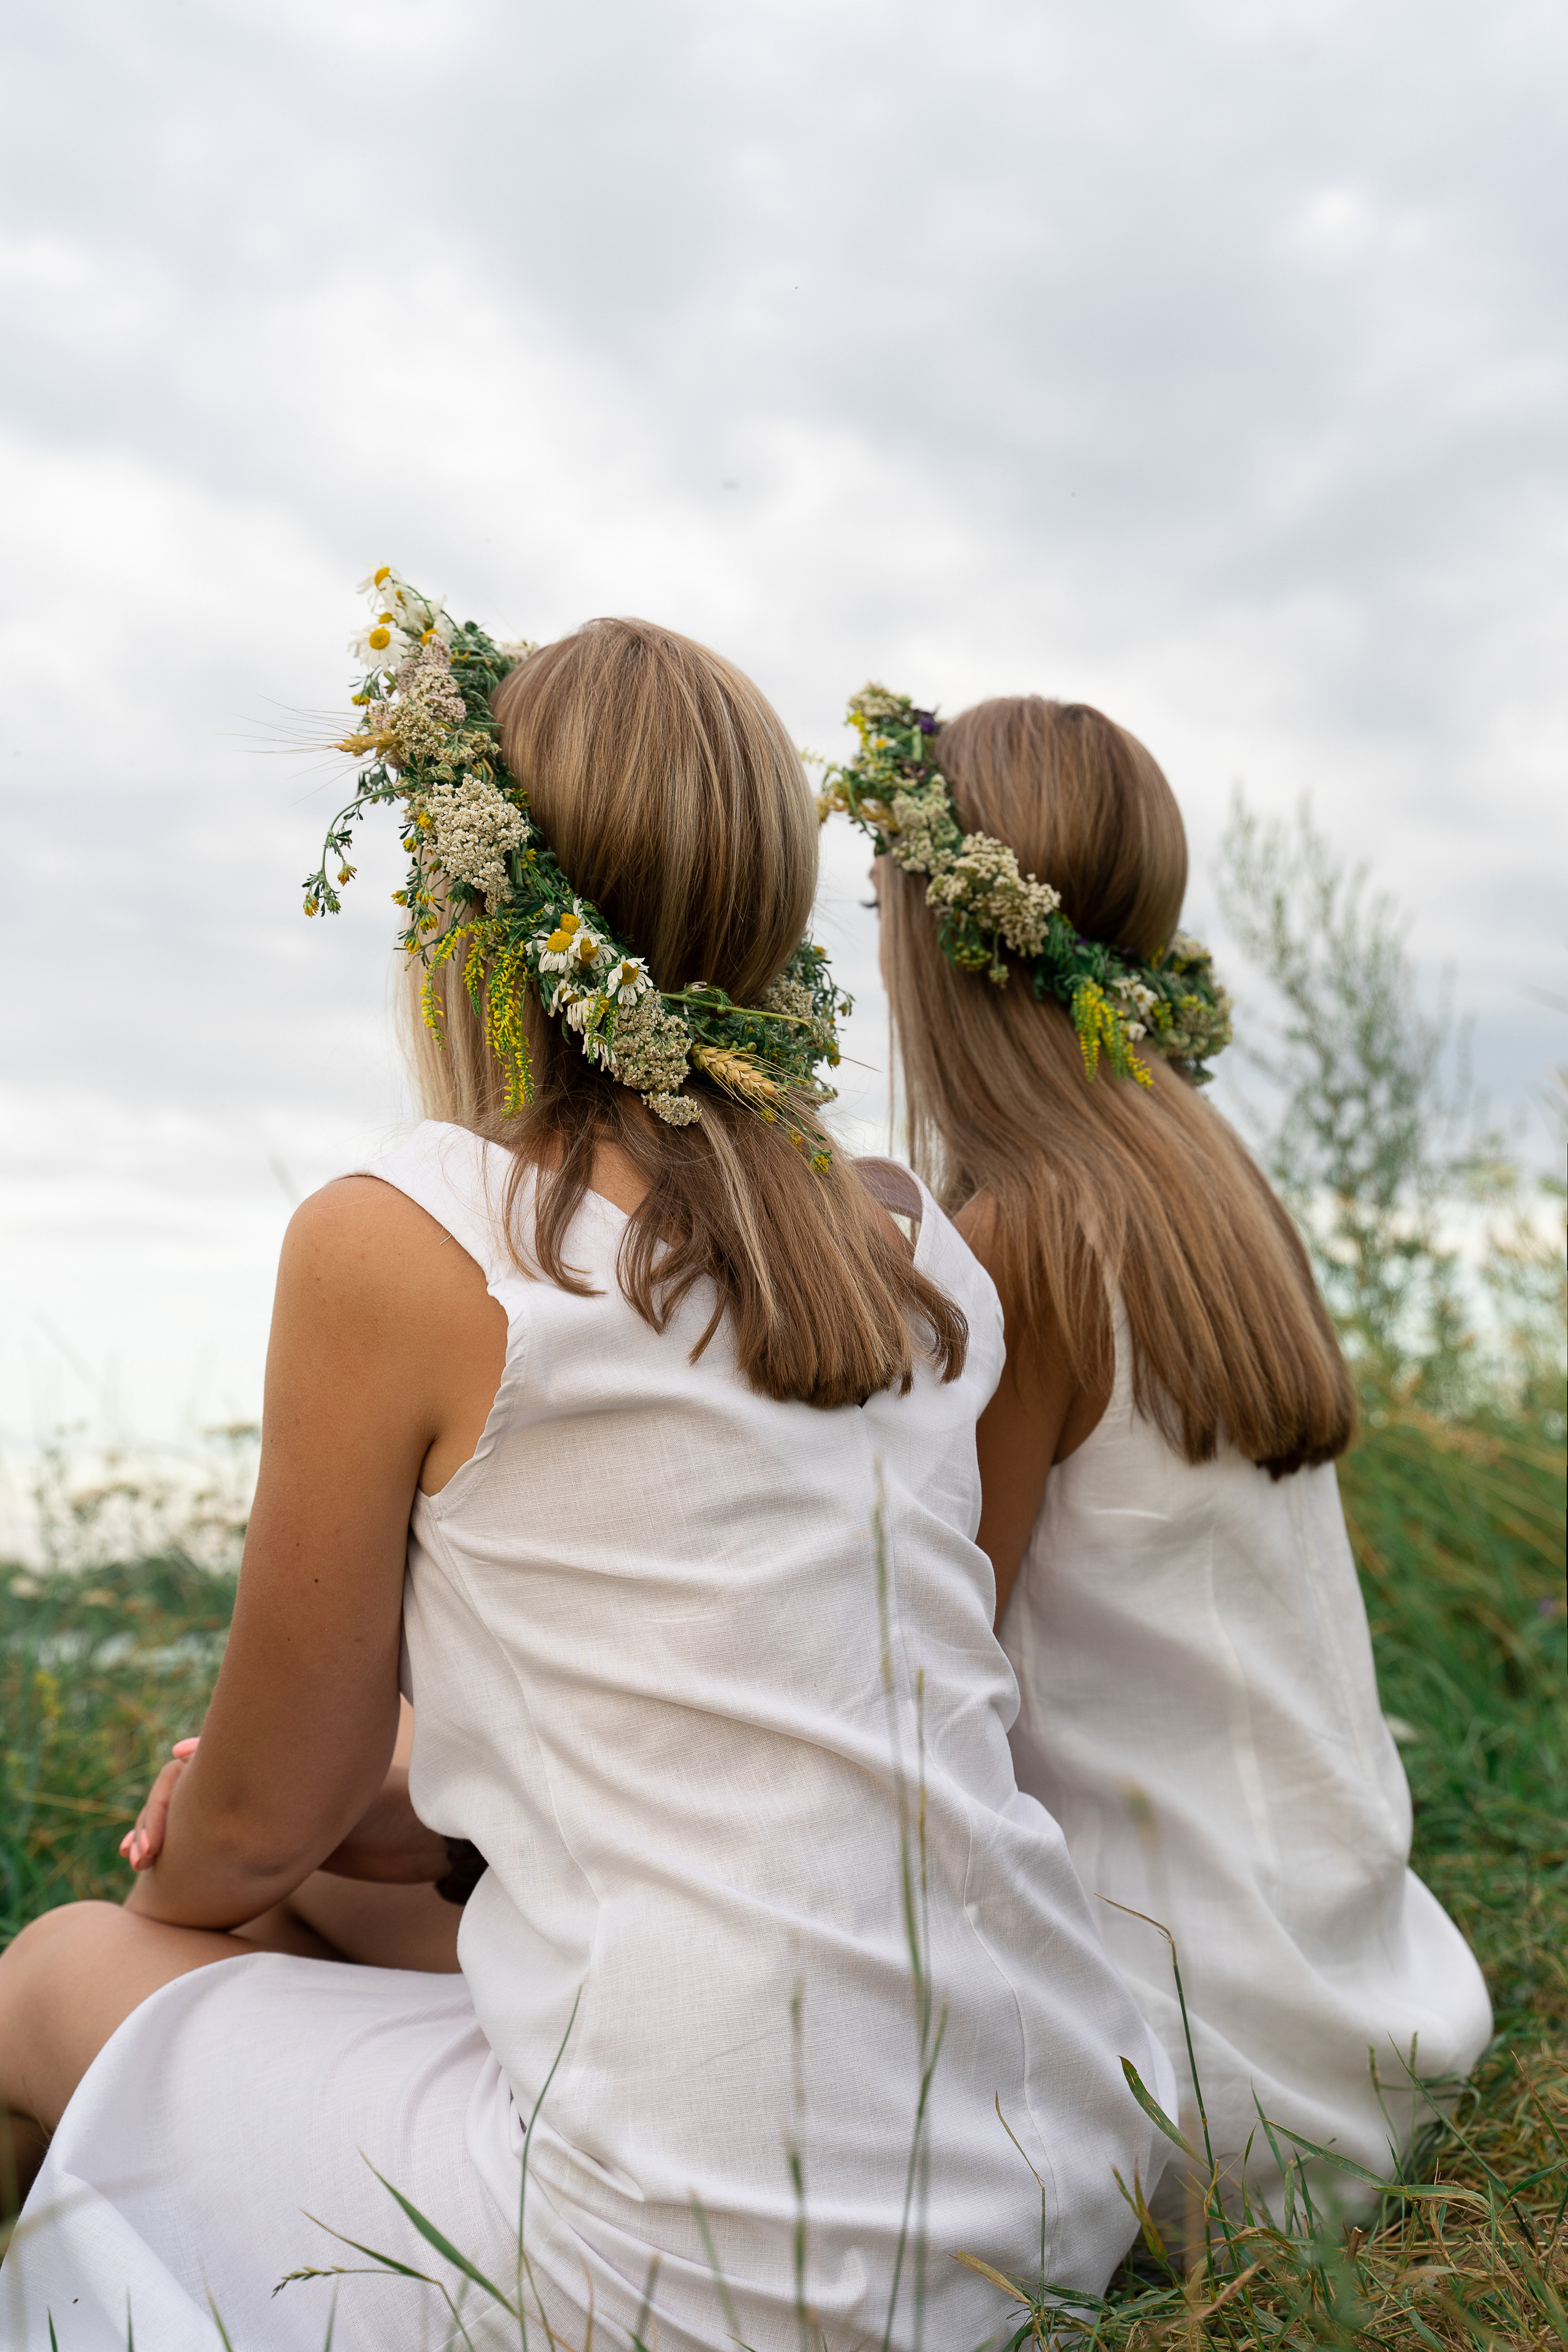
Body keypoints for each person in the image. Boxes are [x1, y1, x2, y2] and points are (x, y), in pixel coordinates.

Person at [0, 603, 1175, 2351]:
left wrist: (181, 1878)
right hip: (1039, 2175)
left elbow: (261, 1817)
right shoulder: (910, 1247)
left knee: (52, 1975)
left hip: (713, 2272)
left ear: (465, 920)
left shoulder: (405, 1239)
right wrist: (339, 1836)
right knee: (350, 1902)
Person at [842, 684, 1493, 2228]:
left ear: (940, 935)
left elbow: (931, 1672)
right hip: (1364, 2008)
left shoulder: (1017, 1239)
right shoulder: (1197, 1179)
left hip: (1197, 2084)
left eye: (878, 904)